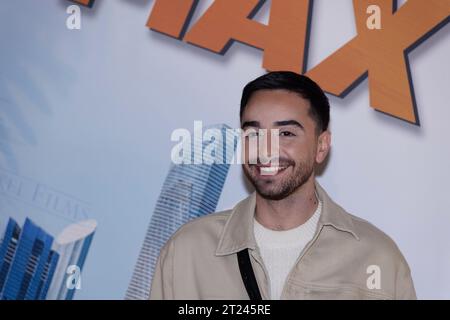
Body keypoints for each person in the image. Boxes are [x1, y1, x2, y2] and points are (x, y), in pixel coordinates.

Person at [150, 71, 416, 300]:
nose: (265, 150)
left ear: (321, 146)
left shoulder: (376, 257)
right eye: (253, 133)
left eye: (286, 133)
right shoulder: (187, 251)